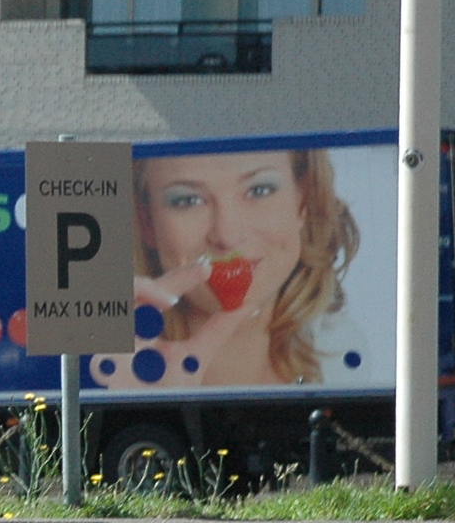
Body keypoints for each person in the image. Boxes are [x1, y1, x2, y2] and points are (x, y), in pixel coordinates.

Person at [94, 148, 367, 391]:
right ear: (146, 222)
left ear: (302, 201)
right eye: (187, 200)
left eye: (259, 190)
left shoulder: (343, 354)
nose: (226, 235)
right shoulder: (103, 360)